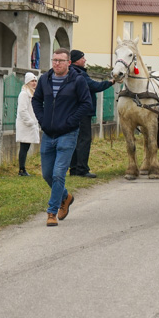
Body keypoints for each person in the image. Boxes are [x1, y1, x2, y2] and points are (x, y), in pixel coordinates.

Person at [32, 48, 93, 227]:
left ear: (68, 63)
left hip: (68, 133)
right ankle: (66, 197)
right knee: (47, 174)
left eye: (60, 60)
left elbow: (86, 104)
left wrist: (70, 121)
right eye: (54, 60)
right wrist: (42, 120)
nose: (56, 63)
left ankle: (52, 212)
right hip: (48, 134)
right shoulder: (45, 79)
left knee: (58, 174)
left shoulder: (78, 81)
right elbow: (36, 101)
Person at [68, 49, 114, 179]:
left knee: (76, 140)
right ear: (76, 60)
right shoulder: (79, 73)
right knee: (84, 139)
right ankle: (82, 169)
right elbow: (94, 86)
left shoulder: (72, 72)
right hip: (82, 112)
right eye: (83, 58)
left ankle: (74, 169)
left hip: (73, 111)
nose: (85, 60)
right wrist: (110, 82)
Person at [16, 72, 40, 176]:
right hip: (26, 125)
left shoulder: (32, 93)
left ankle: (23, 169)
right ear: (27, 82)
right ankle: (21, 170)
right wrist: (31, 122)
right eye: (32, 81)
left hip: (30, 124)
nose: (34, 83)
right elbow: (22, 110)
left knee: (26, 146)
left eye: (35, 81)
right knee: (24, 147)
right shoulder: (24, 94)